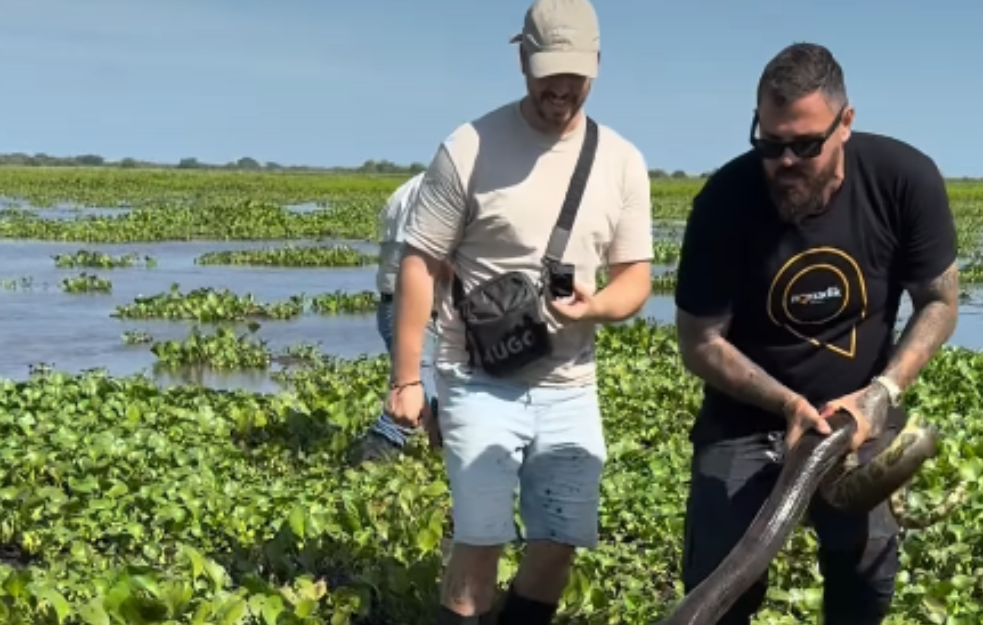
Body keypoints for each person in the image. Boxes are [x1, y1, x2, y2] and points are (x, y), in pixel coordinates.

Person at [383, 0, 654, 621]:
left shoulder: (621, 161)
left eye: (575, 74)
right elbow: (419, 264)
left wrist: (597, 306)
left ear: (597, 64)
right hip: (476, 375)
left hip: (570, 383)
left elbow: (635, 278)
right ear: (523, 59)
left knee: (559, 544)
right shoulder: (469, 147)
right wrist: (405, 379)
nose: (561, 88)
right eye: (548, 72)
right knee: (481, 542)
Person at [673, 42, 959, 625]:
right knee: (718, 585)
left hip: (857, 418)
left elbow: (940, 301)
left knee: (865, 580)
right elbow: (699, 340)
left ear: (845, 123)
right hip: (745, 420)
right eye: (770, 143)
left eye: (805, 145)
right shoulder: (724, 202)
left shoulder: (903, 180)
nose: (785, 161)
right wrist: (786, 404)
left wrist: (881, 394)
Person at [348, 172, 440, 465]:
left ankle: (439, 460)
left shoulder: (408, 189)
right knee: (416, 397)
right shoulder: (444, 190)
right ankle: (371, 461)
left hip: (396, 307)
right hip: (415, 311)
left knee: (434, 396)